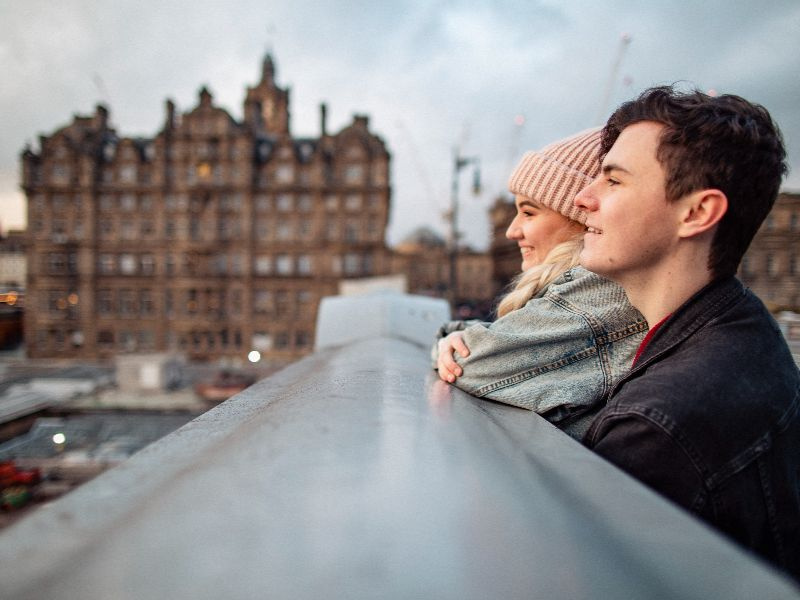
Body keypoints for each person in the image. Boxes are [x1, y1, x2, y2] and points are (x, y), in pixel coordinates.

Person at [574, 86, 800, 578]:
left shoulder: (656, 426)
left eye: (613, 180)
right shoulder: (745, 324)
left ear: (697, 213)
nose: (582, 197)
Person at [433, 128, 647, 439]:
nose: (512, 231)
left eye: (528, 213)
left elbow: (473, 363)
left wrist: (448, 338)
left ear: (580, 217)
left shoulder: (595, 292)